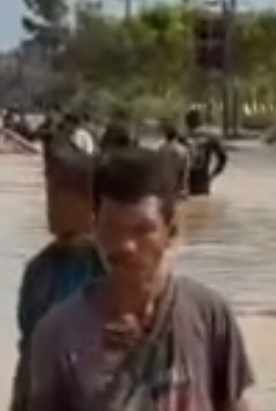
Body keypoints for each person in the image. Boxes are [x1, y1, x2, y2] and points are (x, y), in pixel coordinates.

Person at [27, 148, 255, 411]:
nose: (126, 245)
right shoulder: (58, 334)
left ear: (171, 232)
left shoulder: (208, 315)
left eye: (142, 230)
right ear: (95, 229)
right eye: (112, 228)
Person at [10, 146, 106, 411]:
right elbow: (27, 352)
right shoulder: (38, 270)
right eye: (48, 194)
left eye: (59, 194)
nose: (50, 205)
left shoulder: (110, 266)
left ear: (89, 201)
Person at [182, 108, 228, 197]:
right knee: (202, 200)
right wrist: (212, 175)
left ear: (187, 123)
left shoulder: (183, 138)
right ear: (200, 121)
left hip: (186, 182)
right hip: (202, 179)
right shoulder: (210, 138)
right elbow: (223, 158)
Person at [157, 121, 190, 198]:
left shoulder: (161, 149)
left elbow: (157, 166)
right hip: (177, 183)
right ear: (176, 136)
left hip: (163, 182)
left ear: (165, 136)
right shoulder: (182, 149)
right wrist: (184, 185)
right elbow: (185, 168)